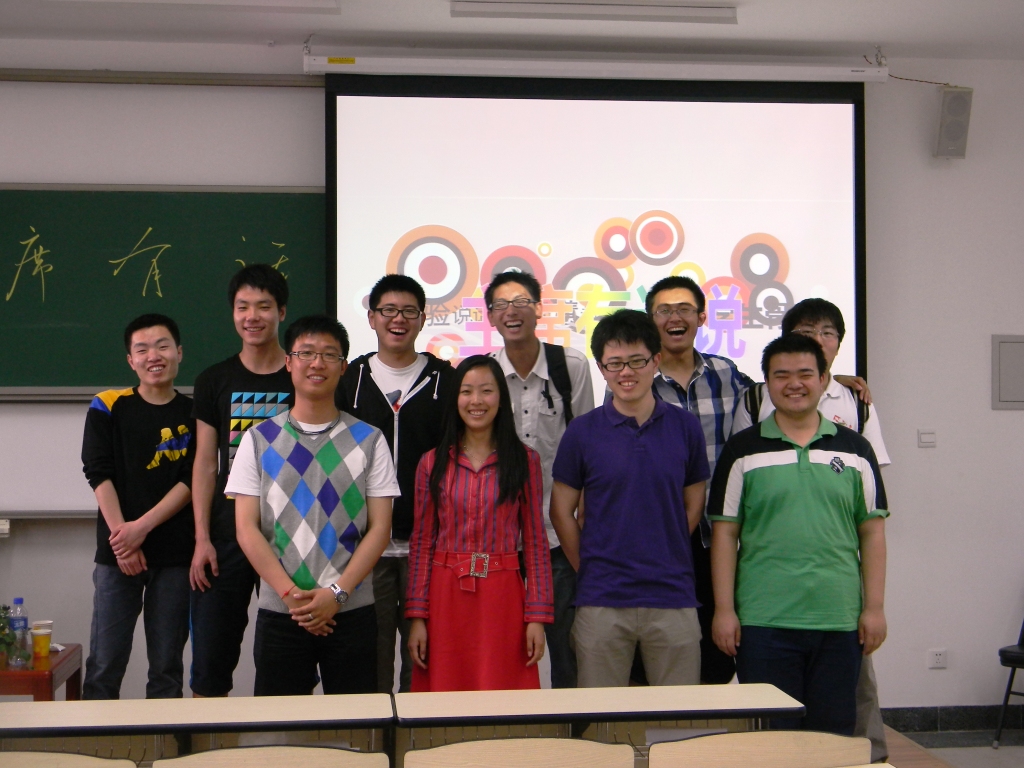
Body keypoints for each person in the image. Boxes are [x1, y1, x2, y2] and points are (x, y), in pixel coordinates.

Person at [730, 297, 891, 759]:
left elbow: (871, 519)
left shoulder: (856, 408)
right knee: (773, 734)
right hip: (768, 603)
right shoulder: (752, 414)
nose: (796, 382)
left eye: (827, 333)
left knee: (838, 725)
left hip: (836, 601)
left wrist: (874, 605)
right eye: (805, 332)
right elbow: (730, 522)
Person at [228, 315, 399, 695]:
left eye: (328, 354)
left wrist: (336, 594)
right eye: (306, 353)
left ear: (343, 366)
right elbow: (246, 529)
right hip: (282, 610)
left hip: (351, 610)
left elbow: (380, 528)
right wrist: (292, 597)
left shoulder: (370, 440)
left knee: (357, 724)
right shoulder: (257, 440)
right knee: (280, 727)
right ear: (288, 362)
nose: (317, 363)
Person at [550, 309, 709, 687]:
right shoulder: (582, 432)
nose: (626, 372)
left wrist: (666, 546)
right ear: (601, 369)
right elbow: (560, 512)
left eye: (637, 361)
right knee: (602, 715)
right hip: (601, 599)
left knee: (679, 713)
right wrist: (588, 566)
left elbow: (694, 503)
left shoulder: (685, 427)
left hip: (673, 595)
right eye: (615, 363)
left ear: (656, 361)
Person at [406, 355, 553, 691]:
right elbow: (422, 543)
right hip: (445, 597)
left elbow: (535, 542)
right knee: (446, 697)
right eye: (466, 391)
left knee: (502, 697)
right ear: (455, 399)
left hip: (503, 597)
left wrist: (537, 616)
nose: (476, 401)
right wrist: (417, 616)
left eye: (486, 391)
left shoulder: (525, 460)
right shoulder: (432, 462)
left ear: (501, 397)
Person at [343, 274, 454, 694]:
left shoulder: (445, 380)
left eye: (409, 311)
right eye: (388, 310)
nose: (398, 319)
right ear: (372, 318)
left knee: (424, 660)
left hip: (428, 547)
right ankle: (373, 735)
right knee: (369, 659)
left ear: (422, 319)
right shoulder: (349, 379)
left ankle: (417, 736)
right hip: (363, 547)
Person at [484, 270, 595, 691]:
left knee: (568, 648)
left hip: (557, 536)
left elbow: (589, 451)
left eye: (521, 302)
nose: (511, 312)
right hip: (499, 540)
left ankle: (575, 729)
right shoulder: (483, 374)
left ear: (539, 309)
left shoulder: (571, 367)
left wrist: (584, 527)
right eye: (500, 305)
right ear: (490, 316)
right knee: (502, 648)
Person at [188, 264, 294, 697]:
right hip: (225, 536)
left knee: (286, 665)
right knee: (210, 664)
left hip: (290, 537)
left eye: (263, 306)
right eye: (242, 306)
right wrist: (201, 538)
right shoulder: (214, 380)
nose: (252, 316)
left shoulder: (302, 375)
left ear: (281, 312)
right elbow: (204, 464)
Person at [644, 275, 754, 685]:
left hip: (718, 535)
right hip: (663, 535)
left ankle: (708, 725)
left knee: (717, 653)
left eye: (684, 309)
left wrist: (835, 379)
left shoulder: (726, 373)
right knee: (657, 651)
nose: (675, 318)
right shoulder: (637, 380)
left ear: (702, 317)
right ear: (651, 320)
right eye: (664, 310)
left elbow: (778, 396)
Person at [81, 313, 195, 699]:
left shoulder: (196, 413)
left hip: (176, 556)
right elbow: (98, 472)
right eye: (142, 349)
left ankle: (162, 740)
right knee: (104, 664)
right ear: (131, 360)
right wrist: (123, 540)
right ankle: (96, 738)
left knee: (167, 668)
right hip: (117, 556)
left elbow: (192, 481)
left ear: (179, 352)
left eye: (163, 346)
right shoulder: (108, 405)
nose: (153, 356)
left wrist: (140, 529)